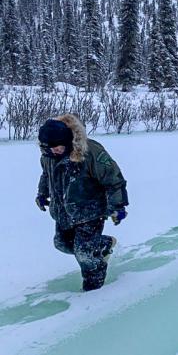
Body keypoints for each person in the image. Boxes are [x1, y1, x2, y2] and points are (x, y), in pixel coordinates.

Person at [36, 114, 129, 291]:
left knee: (85, 253)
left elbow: (113, 179)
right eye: (50, 148)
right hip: (63, 211)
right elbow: (47, 175)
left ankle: (93, 291)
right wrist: (42, 193)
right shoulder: (48, 155)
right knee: (61, 244)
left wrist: (118, 206)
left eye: (58, 147)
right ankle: (103, 244)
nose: (54, 151)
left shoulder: (90, 151)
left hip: (90, 210)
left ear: (68, 140)